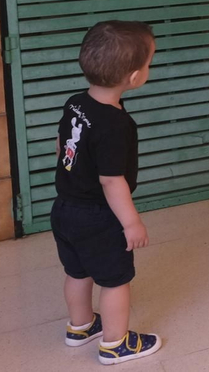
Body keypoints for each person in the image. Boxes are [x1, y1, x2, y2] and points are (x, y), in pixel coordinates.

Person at [51, 20, 162, 366]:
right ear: (133, 77)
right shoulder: (116, 125)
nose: (149, 68)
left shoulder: (75, 103)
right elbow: (112, 181)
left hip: (64, 209)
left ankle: (81, 326)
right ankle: (115, 344)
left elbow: (61, 146)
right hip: (99, 217)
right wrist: (131, 223)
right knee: (115, 281)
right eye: (149, 63)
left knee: (77, 271)